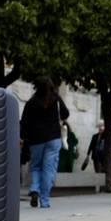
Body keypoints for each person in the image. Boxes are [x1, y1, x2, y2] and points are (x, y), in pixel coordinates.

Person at [21, 77, 69, 208]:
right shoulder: (56, 100)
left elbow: (24, 122)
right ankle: (45, 201)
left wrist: (26, 138)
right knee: (49, 170)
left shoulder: (31, 102)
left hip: (36, 140)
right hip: (53, 139)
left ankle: (35, 189)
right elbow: (65, 114)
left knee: (36, 166)